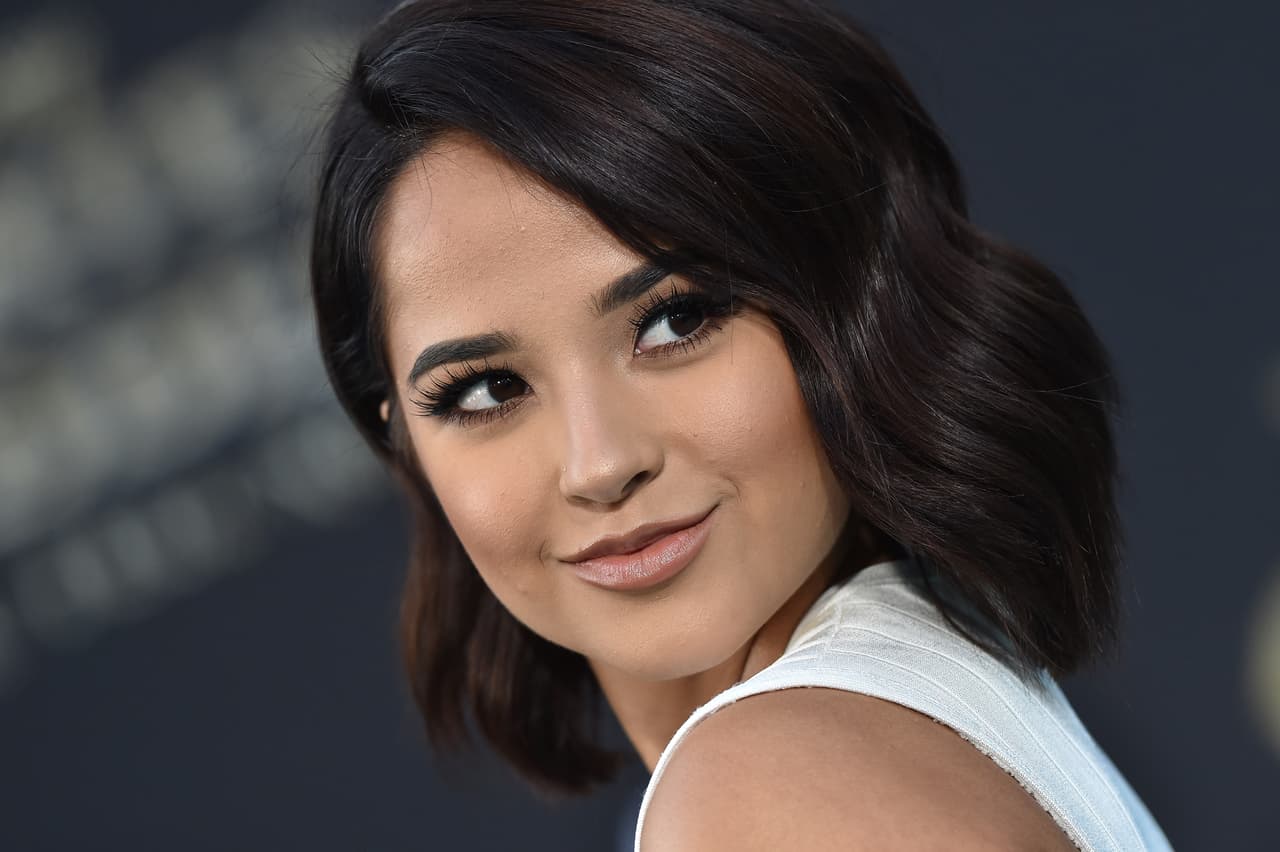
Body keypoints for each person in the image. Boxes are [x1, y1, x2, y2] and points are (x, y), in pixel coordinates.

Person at [308, 1, 1174, 849]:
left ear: (837, 303)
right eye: (489, 390)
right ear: (404, 443)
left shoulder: (767, 793)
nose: (601, 463)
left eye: (675, 322)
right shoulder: (912, 692)